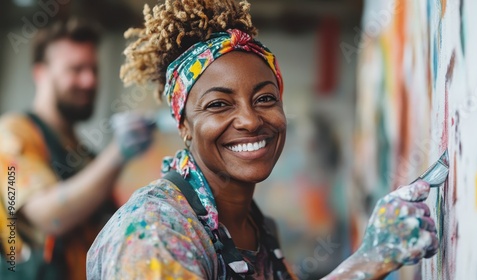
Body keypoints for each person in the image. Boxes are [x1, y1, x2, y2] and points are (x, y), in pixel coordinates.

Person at [86, 1, 438, 279]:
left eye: (265, 98)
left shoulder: (256, 227)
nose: (251, 120)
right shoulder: (155, 233)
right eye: (219, 104)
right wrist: (366, 262)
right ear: (185, 127)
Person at [0, 18, 154, 279]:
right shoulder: (13, 133)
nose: (89, 81)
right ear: (41, 73)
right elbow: (49, 217)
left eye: (93, 69)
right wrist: (118, 153)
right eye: (76, 69)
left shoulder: (84, 154)